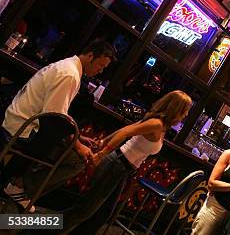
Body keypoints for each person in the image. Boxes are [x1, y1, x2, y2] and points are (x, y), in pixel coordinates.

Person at [1, 39, 116, 210]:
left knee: (69, 146)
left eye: (104, 68)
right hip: (24, 129)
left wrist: (78, 137)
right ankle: (18, 187)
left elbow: (56, 114)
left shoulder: (68, 66)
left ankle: (16, 183)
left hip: (19, 119)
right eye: (100, 65)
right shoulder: (70, 74)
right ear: (90, 55)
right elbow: (56, 119)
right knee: (78, 161)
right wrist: (78, 145)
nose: (100, 70)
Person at [59, 90, 193, 234]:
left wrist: (104, 141)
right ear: (176, 109)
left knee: (102, 214)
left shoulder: (161, 126)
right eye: (185, 110)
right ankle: (39, 226)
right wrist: (102, 152)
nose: (186, 115)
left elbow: (125, 129)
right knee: (84, 210)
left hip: (122, 168)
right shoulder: (156, 124)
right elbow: (125, 133)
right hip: (116, 164)